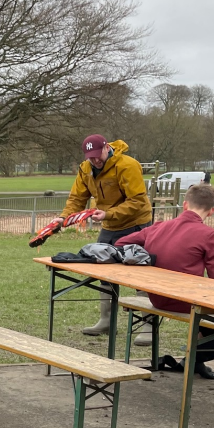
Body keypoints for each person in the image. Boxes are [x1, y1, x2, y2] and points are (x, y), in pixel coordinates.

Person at [114, 183, 214, 379]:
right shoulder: (210, 235)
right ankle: (194, 358)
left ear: (185, 205)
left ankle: (194, 361)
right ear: (212, 211)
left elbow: (120, 243)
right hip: (185, 301)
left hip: (156, 297)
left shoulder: (157, 228)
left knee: (211, 313)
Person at [53, 135, 153, 338]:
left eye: (98, 155)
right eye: (91, 158)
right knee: (103, 271)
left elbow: (137, 201)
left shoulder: (127, 165)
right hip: (109, 225)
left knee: (139, 274)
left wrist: (109, 214)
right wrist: (64, 218)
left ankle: (147, 325)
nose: (95, 160)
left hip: (136, 224)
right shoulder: (85, 169)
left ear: (107, 148)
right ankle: (107, 321)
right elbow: (77, 198)